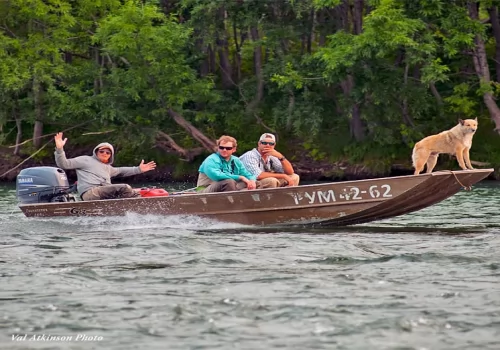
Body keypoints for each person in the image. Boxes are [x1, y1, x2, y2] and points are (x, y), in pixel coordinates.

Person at [54, 132, 156, 200]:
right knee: (124, 187)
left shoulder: (108, 168)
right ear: (96, 151)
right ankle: (141, 204)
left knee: (137, 190)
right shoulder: (85, 160)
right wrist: (59, 149)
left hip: (103, 194)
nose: (104, 153)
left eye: (108, 152)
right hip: (90, 193)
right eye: (101, 151)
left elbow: (121, 170)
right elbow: (64, 164)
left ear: (110, 155)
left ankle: (132, 207)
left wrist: (138, 169)